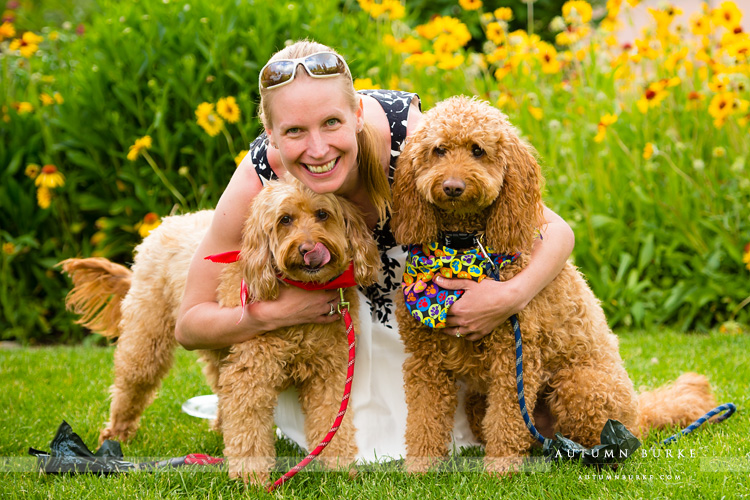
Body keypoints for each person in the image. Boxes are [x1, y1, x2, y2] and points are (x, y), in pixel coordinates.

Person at [175, 40, 575, 461]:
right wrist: (276, 313)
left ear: (358, 112)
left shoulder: (419, 142)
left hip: (422, 310)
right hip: (329, 322)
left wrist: (509, 296)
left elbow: (558, 233)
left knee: (439, 432)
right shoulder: (259, 172)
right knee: (361, 442)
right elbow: (190, 324)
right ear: (271, 135)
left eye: (331, 122)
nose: (317, 149)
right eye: (294, 131)